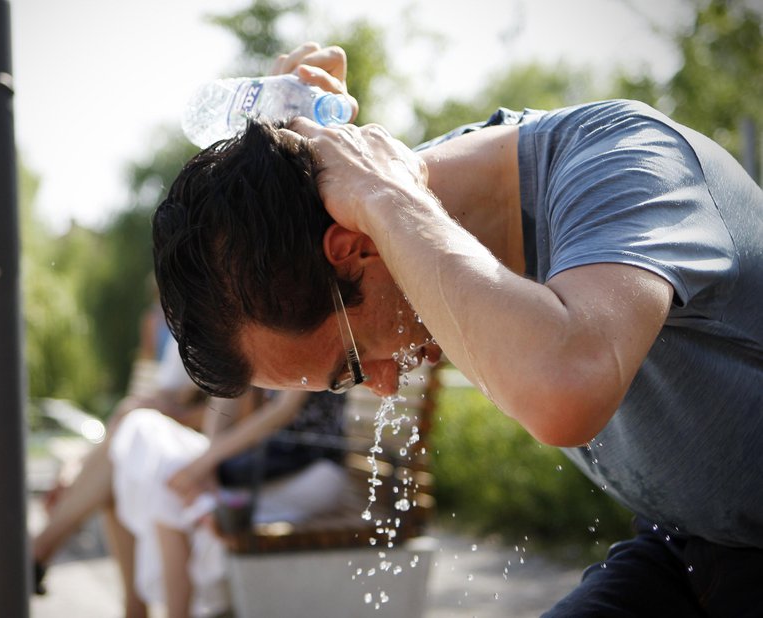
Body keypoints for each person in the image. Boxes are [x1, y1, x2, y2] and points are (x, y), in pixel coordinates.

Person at [151, 42, 763, 616]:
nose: (385, 385)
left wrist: (387, 196)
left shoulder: (625, 164)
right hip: (688, 547)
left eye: (355, 363)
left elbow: (566, 387)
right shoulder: (414, 211)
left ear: (357, 247)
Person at [32, 361, 348, 617]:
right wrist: (206, 461)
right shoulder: (249, 313)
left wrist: (204, 462)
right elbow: (224, 396)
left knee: (166, 470)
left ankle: (42, 555)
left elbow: (283, 412)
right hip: (253, 462)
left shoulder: (305, 301)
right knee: (148, 436)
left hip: (308, 469)